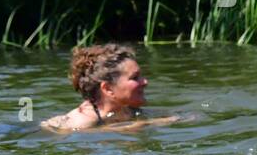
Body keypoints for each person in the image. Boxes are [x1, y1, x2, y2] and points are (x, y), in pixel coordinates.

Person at [40, 44, 181, 133]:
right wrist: (146, 124)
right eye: (135, 78)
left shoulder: (127, 109)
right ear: (108, 89)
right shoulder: (81, 123)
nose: (145, 82)